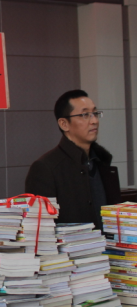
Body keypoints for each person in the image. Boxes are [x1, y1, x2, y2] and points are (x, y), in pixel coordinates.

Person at [25, 90, 120, 228]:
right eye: (85, 115)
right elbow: (40, 228)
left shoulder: (101, 161)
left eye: (95, 113)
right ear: (64, 124)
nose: (94, 121)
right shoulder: (45, 168)